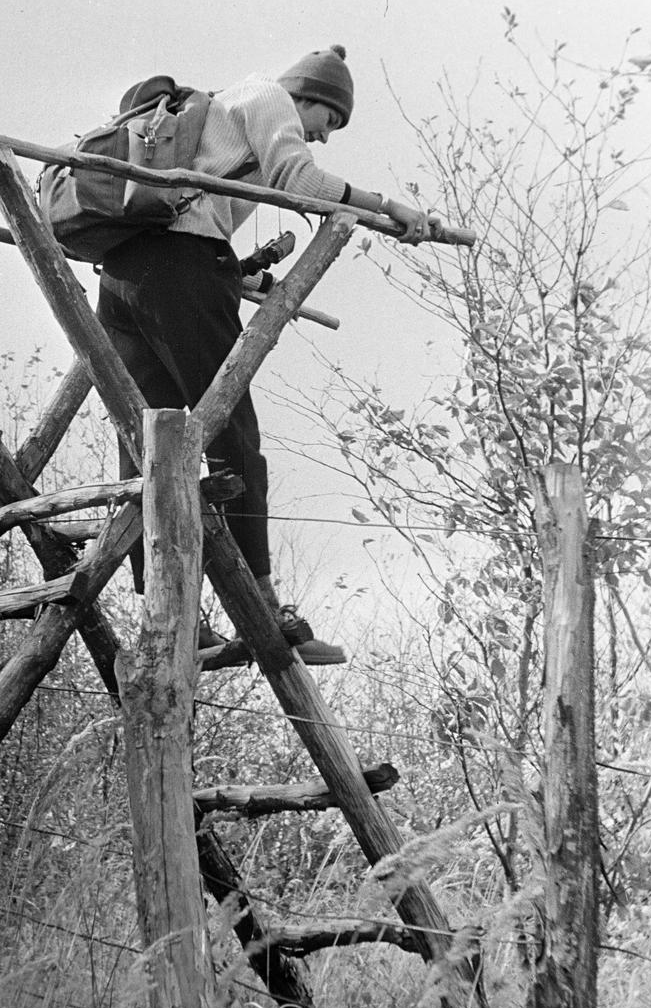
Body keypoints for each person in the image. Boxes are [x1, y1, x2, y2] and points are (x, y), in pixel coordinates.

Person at [96, 45, 435, 666]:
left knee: (149, 439)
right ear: (307, 97)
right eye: (328, 122)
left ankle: (166, 614)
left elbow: (202, 215)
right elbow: (301, 182)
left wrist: (236, 276)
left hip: (121, 275)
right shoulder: (266, 95)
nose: (323, 138)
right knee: (231, 431)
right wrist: (388, 205)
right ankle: (262, 609)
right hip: (178, 269)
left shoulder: (225, 110)